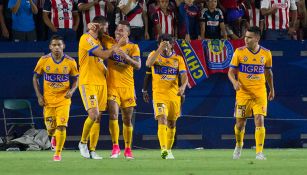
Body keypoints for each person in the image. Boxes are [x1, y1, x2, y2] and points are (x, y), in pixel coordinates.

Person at [78, 15, 126, 160]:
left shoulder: (100, 40)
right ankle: (82, 143)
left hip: (101, 83)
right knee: (93, 114)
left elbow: (120, 44)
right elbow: (104, 55)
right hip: (88, 82)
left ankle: (92, 150)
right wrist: (117, 46)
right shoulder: (86, 39)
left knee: (97, 118)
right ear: (97, 26)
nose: (106, 31)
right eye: (104, 28)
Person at [228, 26, 275, 160]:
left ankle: (259, 152)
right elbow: (231, 72)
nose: (246, 39)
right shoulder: (239, 52)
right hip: (243, 94)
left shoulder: (266, 53)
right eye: (245, 37)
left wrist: (271, 89)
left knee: (259, 120)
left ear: (257, 38)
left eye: (249, 37)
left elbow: (268, 73)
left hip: (260, 93)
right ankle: (239, 145)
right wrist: (234, 82)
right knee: (240, 124)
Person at [33, 35, 79, 161]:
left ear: (63, 46)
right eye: (54, 45)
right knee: (51, 129)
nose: (57, 47)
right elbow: (35, 78)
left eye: (59, 45)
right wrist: (39, 96)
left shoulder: (70, 62)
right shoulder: (44, 60)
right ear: (50, 47)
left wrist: (72, 90)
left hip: (64, 99)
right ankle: (52, 137)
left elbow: (76, 79)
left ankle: (58, 153)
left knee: (62, 126)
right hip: (48, 100)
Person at [101, 20, 141, 159]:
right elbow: (98, 34)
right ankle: (115, 147)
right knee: (113, 115)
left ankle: (128, 149)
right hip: (112, 86)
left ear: (128, 33)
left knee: (127, 119)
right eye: (117, 29)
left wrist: (125, 57)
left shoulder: (133, 47)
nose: (118, 32)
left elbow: (138, 65)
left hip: (128, 87)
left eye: (122, 30)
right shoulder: (110, 43)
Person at [145, 34, 188, 159]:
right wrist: (159, 49)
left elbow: (184, 75)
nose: (165, 45)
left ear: (172, 44)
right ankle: (163, 149)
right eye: (162, 43)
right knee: (162, 119)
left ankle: (169, 150)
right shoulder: (154, 54)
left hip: (174, 96)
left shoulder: (178, 59)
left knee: (172, 124)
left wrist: (183, 87)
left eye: (167, 43)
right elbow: (148, 63)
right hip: (159, 95)